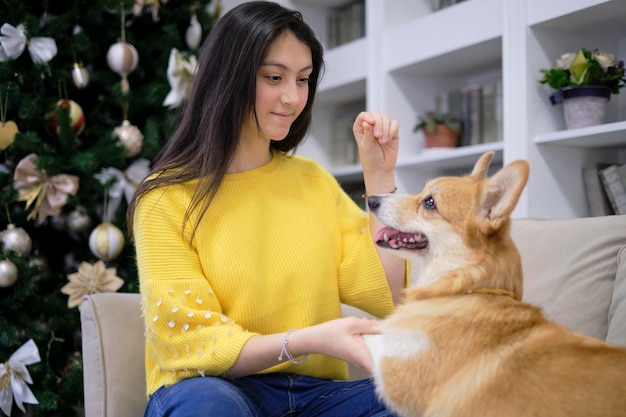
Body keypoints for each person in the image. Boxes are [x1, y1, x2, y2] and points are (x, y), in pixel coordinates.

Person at [126, 1, 406, 416]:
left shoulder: (313, 181)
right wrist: (307, 340)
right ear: (230, 78)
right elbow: (192, 343)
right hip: (212, 390)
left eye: (304, 80)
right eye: (274, 78)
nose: (292, 98)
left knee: (427, 397)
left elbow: (392, 295)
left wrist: (380, 180)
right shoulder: (166, 197)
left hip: (318, 397)